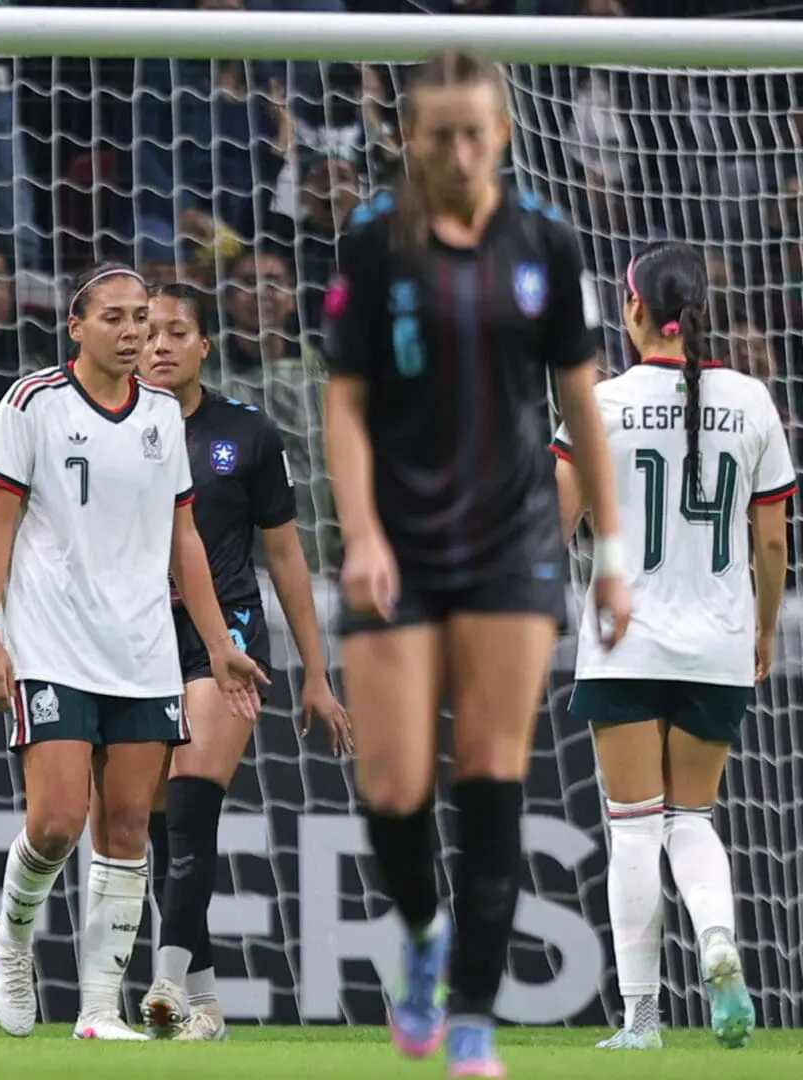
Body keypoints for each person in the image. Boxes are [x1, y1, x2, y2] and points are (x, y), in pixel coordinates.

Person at [320, 48, 630, 1078]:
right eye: (439, 132)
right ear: (410, 136)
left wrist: (614, 552)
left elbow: (581, 401)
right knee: (394, 786)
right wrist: (360, 533)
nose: (458, 151)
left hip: (513, 543)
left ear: (503, 130)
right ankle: (419, 934)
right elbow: (346, 405)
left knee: (492, 776)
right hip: (398, 548)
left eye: (475, 131)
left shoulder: (546, 238)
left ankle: (473, 1025)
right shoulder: (373, 243)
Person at [0, 262, 264, 1042]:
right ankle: (12, 937)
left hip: (142, 648)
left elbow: (185, 538)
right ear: (77, 326)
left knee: (130, 824)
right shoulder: (32, 402)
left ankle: (100, 1011)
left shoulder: (162, 415)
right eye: (118, 318)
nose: (135, 332)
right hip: (53, 642)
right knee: (60, 819)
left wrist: (216, 645)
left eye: (143, 318)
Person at [555, 242, 791, 1052]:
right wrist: (761, 632)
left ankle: (643, 1019)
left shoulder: (600, 403)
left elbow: (553, 525)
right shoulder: (753, 401)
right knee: (693, 816)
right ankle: (718, 939)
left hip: (626, 641)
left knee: (633, 827)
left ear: (630, 311)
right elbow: (771, 545)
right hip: (719, 642)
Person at [133, 282, 352, 1041]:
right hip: (134, 640)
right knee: (156, 826)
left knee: (192, 808)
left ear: (204, 345)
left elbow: (286, 556)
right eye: (148, 332)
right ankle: (208, 1003)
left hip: (226, 638)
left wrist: (317, 674)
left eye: (175, 332)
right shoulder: (108, 429)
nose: (159, 345)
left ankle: (163, 984)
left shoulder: (246, 434)